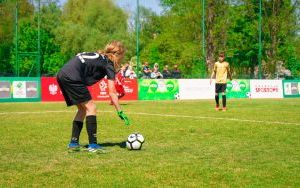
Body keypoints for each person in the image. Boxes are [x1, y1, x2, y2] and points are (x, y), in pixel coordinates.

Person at [56, 41, 130, 153]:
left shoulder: (100, 57)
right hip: (73, 76)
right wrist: (119, 111)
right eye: (122, 57)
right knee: (92, 108)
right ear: (117, 54)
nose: (121, 60)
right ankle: (93, 145)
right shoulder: (108, 63)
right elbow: (112, 92)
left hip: (62, 74)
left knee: (82, 109)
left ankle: (73, 143)